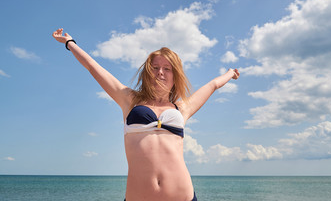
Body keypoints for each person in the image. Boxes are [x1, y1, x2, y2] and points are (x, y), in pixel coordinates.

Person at [52, 28, 240, 201]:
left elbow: (212, 85)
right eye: (155, 68)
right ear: (147, 73)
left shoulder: (182, 108)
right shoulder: (129, 99)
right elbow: (93, 66)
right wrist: (70, 42)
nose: (160, 73)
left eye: (167, 69)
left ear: (175, 77)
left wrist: (230, 73)